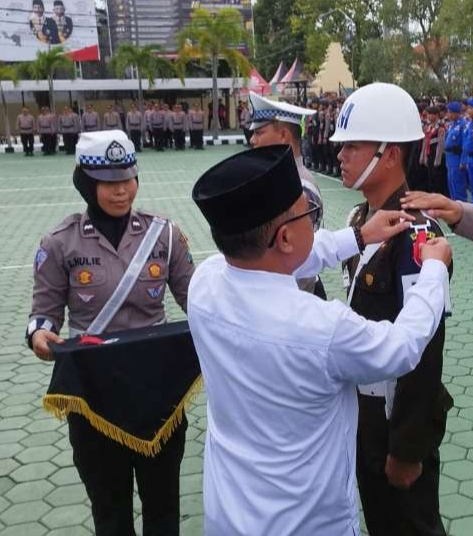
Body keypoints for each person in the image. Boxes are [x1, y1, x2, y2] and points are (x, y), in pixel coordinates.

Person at [187, 144, 451, 536]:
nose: (315, 222)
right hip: (306, 521)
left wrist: (359, 236)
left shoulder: (205, 283)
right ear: (285, 237)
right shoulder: (317, 326)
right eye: (308, 215)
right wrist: (432, 272)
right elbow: (401, 346)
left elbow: (284, 260)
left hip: (231, 512)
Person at [27, 130, 194, 535]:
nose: (122, 191)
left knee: (163, 511)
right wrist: (40, 337)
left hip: (158, 394)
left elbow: (198, 300)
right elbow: (43, 315)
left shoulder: (164, 235)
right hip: (94, 398)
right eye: (109, 182)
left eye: (128, 179)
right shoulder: (60, 243)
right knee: (111, 514)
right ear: (87, 183)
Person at [332, 83, 454, 536]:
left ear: (389, 155)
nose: (341, 155)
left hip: (394, 419)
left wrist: (407, 448)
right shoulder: (360, 223)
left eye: (352, 146)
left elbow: (425, 349)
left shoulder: (417, 234)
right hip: (361, 415)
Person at [247, 92, 326, 298]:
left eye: (259, 133)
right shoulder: (280, 181)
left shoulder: (301, 188)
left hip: (297, 296)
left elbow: (297, 257)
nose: (252, 140)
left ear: (283, 135)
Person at [420, 105, 448, 196]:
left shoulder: (440, 127)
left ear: (436, 115)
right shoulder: (428, 126)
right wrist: (423, 156)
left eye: (430, 114)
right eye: (427, 114)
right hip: (429, 154)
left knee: (437, 179)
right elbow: (425, 141)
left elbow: (441, 144)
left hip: (436, 155)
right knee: (430, 178)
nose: (428, 116)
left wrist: (437, 160)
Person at [442, 102, 467, 201]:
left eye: (450, 112)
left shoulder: (463, 125)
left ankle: (462, 211)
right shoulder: (452, 125)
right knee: (451, 186)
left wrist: (463, 161)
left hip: (457, 159)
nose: (448, 114)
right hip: (450, 158)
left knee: (458, 188)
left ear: (457, 113)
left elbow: (465, 145)